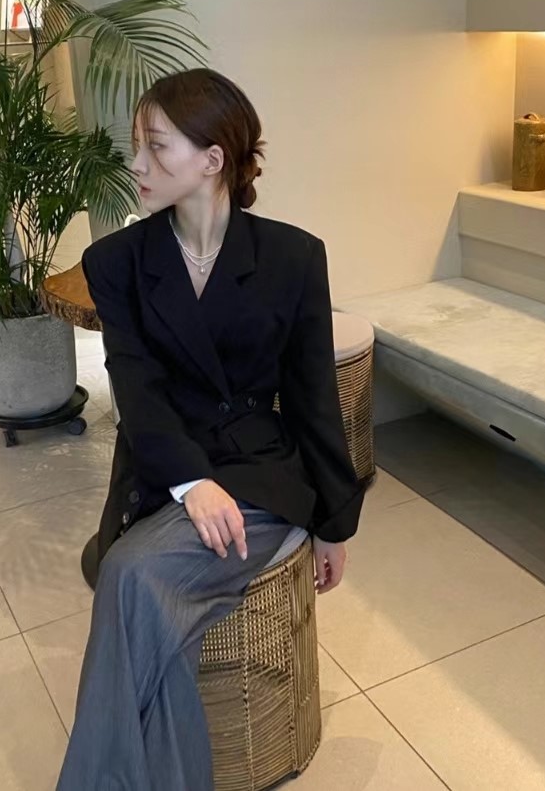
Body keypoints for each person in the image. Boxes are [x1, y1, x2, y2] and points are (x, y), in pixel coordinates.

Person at [56, 67, 366, 791]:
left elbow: (313, 398)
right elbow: (137, 390)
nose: (137, 164)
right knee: (145, 605)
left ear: (213, 159)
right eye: (137, 145)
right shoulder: (117, 262)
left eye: (156, 146)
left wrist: (335, 523)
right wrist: (191, 481)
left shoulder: (293, 256)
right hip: (166, 470)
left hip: (261, 474)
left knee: (131, 575)